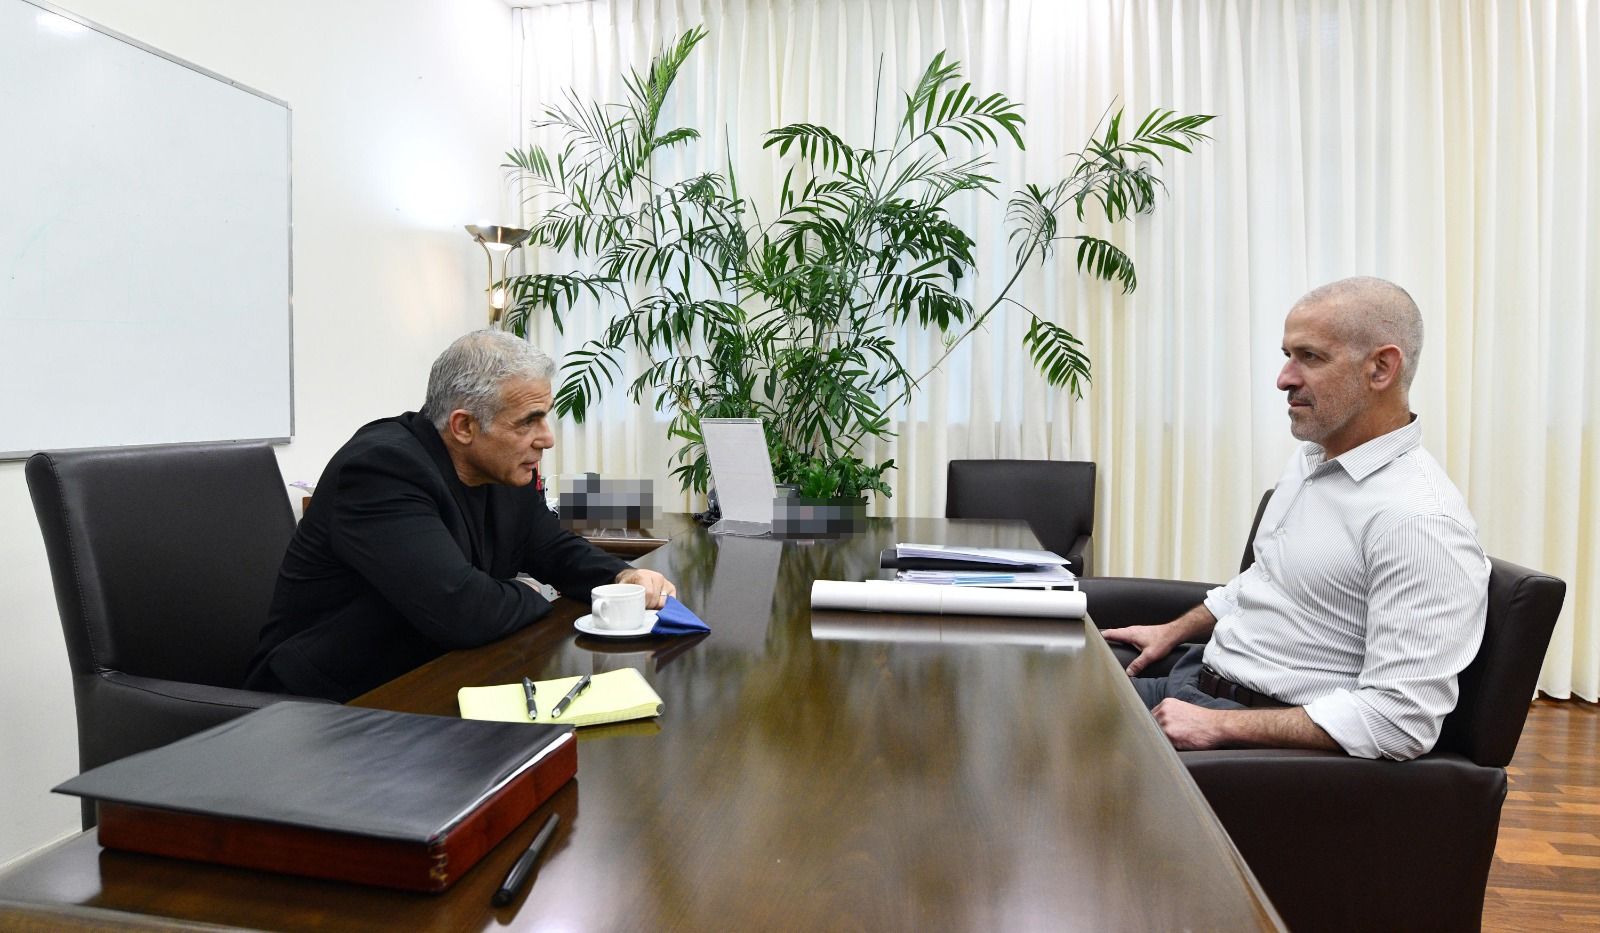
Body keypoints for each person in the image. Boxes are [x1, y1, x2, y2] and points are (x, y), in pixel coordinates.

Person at [1101, 277, 1489, 761]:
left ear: (1381, 368)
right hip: (1197, 679)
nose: (1284, 378)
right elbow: (1263, 581)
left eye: (1310, 357)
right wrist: (1173, 630)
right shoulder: (1312, 460)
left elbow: (1400, 721)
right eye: (1288, 355)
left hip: (1250, 741)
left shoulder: (1418, 521)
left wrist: (1219, 725)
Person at [245, 330, 677, 702]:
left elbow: (550, 547)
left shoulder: (502, 471)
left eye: (545, 418)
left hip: (434, 679)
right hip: (325, 707)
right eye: (529, 422)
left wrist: (620, 576)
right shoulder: (380, 470)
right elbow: (464, 611)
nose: (546, 439)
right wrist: (541, 596)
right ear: (464, 426)